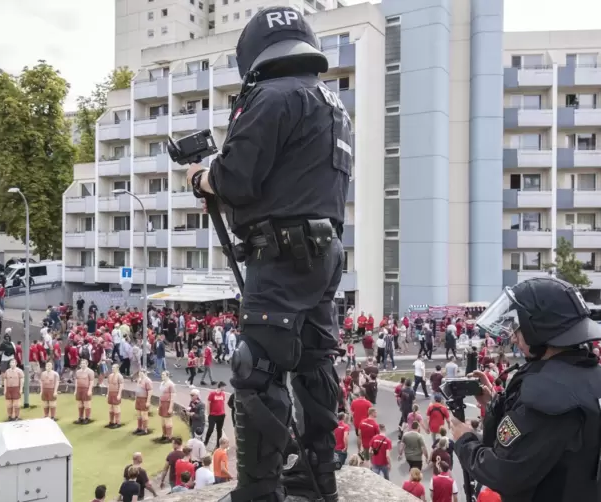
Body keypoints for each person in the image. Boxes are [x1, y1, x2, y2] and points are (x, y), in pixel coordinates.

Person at [185, 6, 352, 502]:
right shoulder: (333, 103)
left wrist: (201, 176)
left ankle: (259, 491)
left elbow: (236, 178)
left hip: (280, 255)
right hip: (324, 252)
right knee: (315, 361)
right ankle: (318, 477)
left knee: (255, 371)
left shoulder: (270, 97)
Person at [452, 277, 601, 501]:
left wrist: (464, 440)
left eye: (519, 327)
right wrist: (495, 403)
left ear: (539, 329)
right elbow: (555, 444)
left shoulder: (552, 394)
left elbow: (504, 473)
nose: (515, 336)